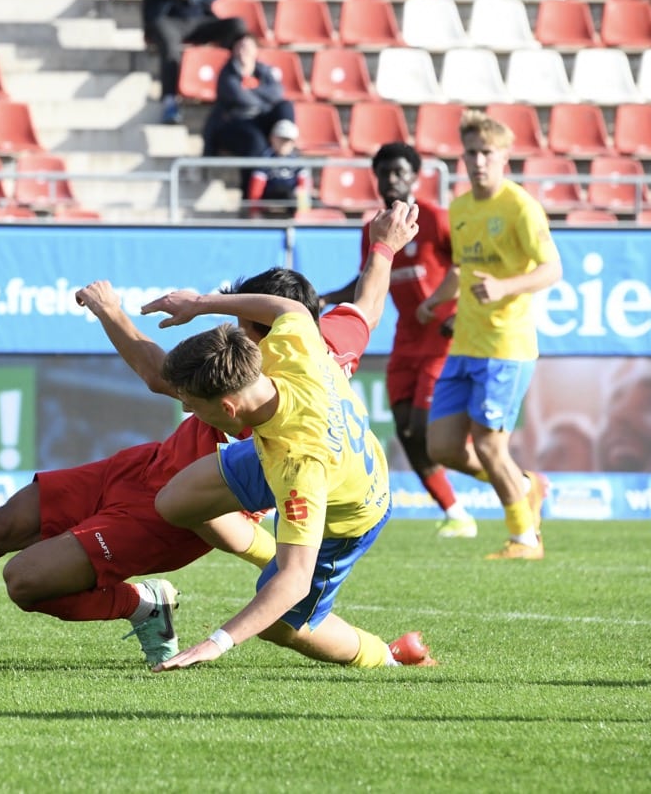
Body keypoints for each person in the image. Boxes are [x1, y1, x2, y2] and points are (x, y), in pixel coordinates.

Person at [0, 205, 422, 667]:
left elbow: (163, 381)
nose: (236, 323)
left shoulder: (273, 428)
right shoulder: (313, 342)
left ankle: (145, 604)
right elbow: (366, 307)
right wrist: (384, 248)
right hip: (147, 465)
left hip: (163, 519)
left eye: (242, 314)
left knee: (26, 580)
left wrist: (112, 311)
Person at [140, 267, 435, 672]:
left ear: (228, 408)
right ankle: (275, 554)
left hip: (345, 514)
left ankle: (389, 656)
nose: (188, 410)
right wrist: (200, 303)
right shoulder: (293, 348)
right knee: (175, 502)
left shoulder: (300, 469)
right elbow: (289, 307)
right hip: (283, 450)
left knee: (279, 625)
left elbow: (295, 580)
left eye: (192, 404)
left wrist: (215, 643)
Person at [415, 110, 561, 560]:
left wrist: (504, 287)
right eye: (472, 153)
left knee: (488, 444)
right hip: (465, 345)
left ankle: (525, 539)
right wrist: (435, 301)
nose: (478, 161)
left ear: (504, 158)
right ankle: (524, 484)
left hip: (506, 346)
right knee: (442, 447)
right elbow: (461, 270)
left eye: (487, 153)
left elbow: (552, 269)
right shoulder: (460, 208)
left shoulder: (520, 207)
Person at [319, 142, 474, 538]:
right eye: (384, 173)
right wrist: (326, 297)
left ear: (415, 178)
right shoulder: (373, 230)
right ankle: (456, 512)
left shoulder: (436, 219)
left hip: (442, 338)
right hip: (405, 340)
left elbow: (468, 268)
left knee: (424, 429)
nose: (391, 179)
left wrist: (456, 312)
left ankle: (515, 483)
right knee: (405, 430)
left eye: (399, 172)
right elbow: (368, 278)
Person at [143, 0, 225, 125]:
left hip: (199, 19)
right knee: (171, 47)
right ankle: (170, 100)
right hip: (166, 18)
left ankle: (230, 91)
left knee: (236, 27)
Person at [202, 17, 294, 164]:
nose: (244, 51)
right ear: (234, 50)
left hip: (261, 118)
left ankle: (285, 141)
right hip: (236, 122)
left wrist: (253, 90)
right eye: (241, 46)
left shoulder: (264, 71)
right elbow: (241, 98)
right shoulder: (228, 74)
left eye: (248, 46)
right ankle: (255, 177)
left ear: (256, 50)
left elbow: (277, 93)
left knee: (285, 106)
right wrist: (264, 99)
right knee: (256, 142)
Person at [242, 119, 312, 218]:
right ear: (273, 139)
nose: (284, 144)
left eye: (288, 141)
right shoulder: (266, 159)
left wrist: (303, 211)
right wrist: (255, 210)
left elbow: (303, 185)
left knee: (297, 195)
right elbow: (256, 186)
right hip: (270, 196)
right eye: (281, 140)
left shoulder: (297, 160)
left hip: (291, 198)